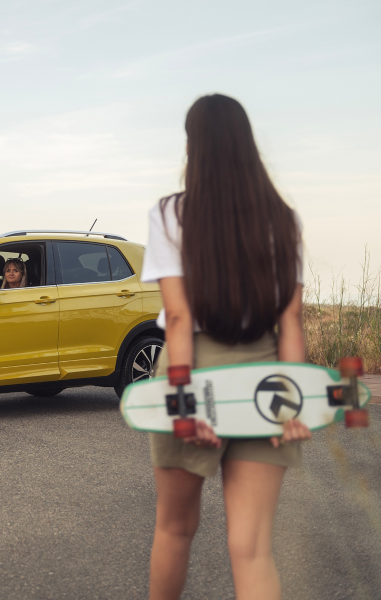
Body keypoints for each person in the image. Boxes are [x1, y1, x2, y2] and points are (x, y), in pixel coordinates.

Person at [141, 94, 312, 600]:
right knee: (253, 548)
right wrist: (292, 399)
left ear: (193, 147)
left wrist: (182, 402)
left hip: (190, 368)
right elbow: (291, 321)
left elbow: (178, 317)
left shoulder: (171, 214)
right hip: (264, 378)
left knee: (175, 529)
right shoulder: (284, 221)